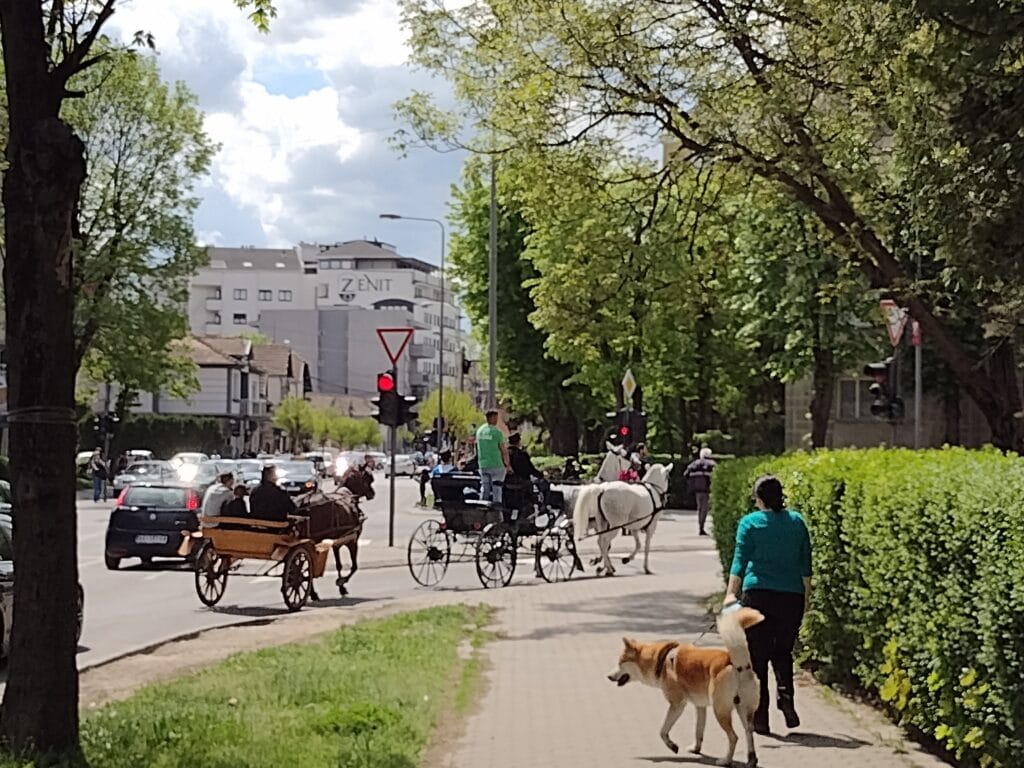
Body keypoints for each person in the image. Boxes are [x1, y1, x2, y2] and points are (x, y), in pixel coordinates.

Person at [725, 474, 812, 736]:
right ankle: (786, 699)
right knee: (783, 651)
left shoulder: (749, 524)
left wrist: (730, 597)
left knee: (758, 658)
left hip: (757, 596)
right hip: (791, 596)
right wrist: (806, 598)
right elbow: (805, 564)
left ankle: (760, 718)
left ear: (759, 499)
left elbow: (739, 563)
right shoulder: (797, 522)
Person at [475, 409, 510, 504]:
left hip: (483, 464)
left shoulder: (480, 431)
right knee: (497, 489)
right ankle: (497, 513)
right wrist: (507, 465)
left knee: (485, 489)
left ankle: (482, 511)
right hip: (496, 464)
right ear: (493, 418)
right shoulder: (497, 432)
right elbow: (503, 450)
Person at [684, 447, 717, 536]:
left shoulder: (694, 464)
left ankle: (700, 526)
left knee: (700, 508)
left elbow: (686, 474)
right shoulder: (712, 464)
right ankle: (701, 527)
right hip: (707, 489)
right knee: (705, 508)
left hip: (697, 490)